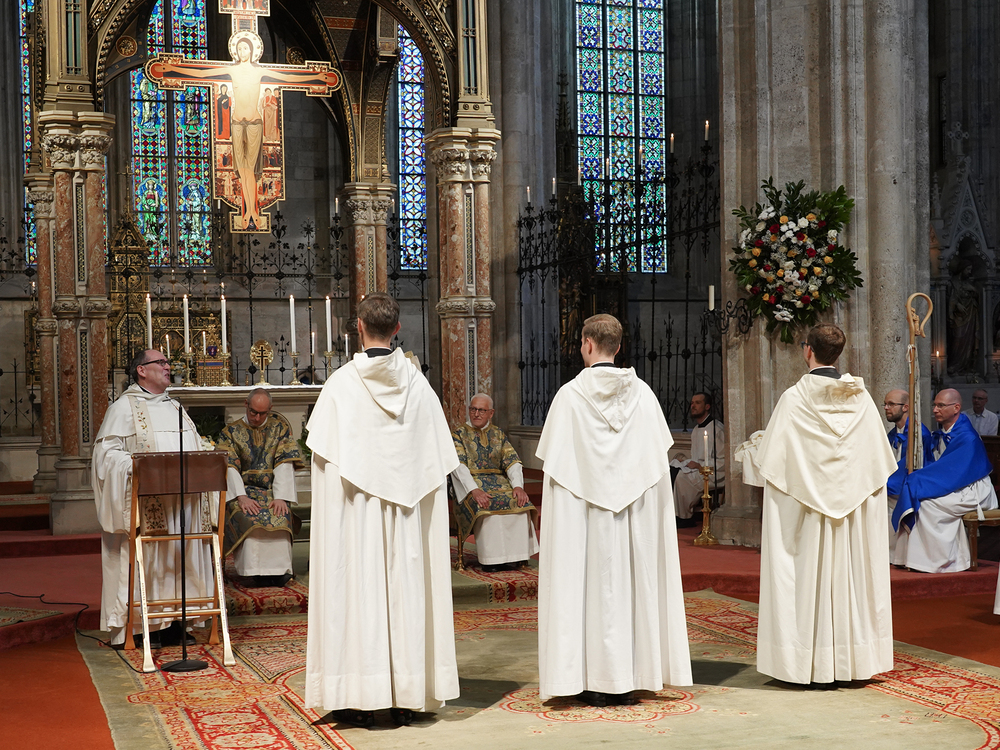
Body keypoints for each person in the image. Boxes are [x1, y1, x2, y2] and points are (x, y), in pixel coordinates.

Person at [304, 293, 460, 728]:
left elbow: (324, 469)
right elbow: (437, 463)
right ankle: (406, 692)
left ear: (358, 327)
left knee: (356, 595)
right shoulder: (418, 386)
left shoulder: (341, 386)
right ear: (397, 330)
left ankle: (356, 693)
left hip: (355, 521)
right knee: (404, 593)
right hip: (408, 522)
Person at [536, 313, 691, 706]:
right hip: (632, 520)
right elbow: (656, 474)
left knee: (584, 585)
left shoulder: (569, 398)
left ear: (587, 344)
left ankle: (584, 676)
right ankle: (634, 673)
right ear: (618, 347)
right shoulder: (644, 397)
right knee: (630, 583)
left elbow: (556, 477)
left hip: (583, 522)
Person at [741, 325, 897, 687]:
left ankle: (805, 664)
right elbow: (875, 464)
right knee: (851, 576)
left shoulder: (795, 400)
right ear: (837, 354)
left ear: (807, 350)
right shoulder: (861, 399)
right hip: (851, 519)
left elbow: (774, 464)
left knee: (805, 577)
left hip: (808, 515)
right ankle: (853, 661)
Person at [91, 350, 216, 648]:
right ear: (141, 371)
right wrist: (133, 466)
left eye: (167, 363)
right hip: (146, 502)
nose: (167, 366)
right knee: (148, 561)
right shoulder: (123, 408)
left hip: (183, 504)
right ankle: (139, 627)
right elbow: (105, 457)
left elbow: (194, 447)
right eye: (160, 363)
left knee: (178, 561)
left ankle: (173, 623)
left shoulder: (175, 407)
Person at [892, 389, 998, 573]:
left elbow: (954, 472)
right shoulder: (940, 433)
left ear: (956, 408)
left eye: (941, 405)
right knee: (917, 498)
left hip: (973, 489)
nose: (935, 410)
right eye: (934, 405)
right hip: (954, 485)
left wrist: (919, 480)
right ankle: (906, 557)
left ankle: (944, 561)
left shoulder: (967, 437)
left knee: (928, 505)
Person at [218, 388, 300, 588]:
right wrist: (240, 497)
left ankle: (280, 571)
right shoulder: (230, 432)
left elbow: (284, 463)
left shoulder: (280, 428)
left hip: (271, 490)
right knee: (250, 516)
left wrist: (281, 497)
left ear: (270, 409)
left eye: (262, 413)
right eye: (253, 411)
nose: (256, 417)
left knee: (280, 514)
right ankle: (254, 571)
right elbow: (229, 466)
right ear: (246, 405)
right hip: (243, 490)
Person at [451, 393, 538, 572]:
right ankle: (491, 560)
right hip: (471, 483)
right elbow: (457, 466)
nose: (476, 414)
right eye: (473, 409)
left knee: (519, 501)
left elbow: (512, 461)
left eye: (481, 410)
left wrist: (518, 486)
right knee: (488, 502)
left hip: (498, 480)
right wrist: (474, 490)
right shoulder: (458, 434)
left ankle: (516, 556)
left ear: (491, 413)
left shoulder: (498, 433)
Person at [884, 389, 935, 554]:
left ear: (905, 407)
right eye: (885, 404)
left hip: (912, 487)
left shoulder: (918, 434)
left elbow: (916, 466)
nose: (886, 407)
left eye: (891, 404)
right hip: (894, 484)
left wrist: (882, 483)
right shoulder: (893, 434)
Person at [672, 391, 725, 526]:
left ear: (707, 406)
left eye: (697, 403)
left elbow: (724, 461)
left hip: (714, 472)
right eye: (692, 403)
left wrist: (699, 466)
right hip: (698, 469)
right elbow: (697, 457)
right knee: (672, 471)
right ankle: (674, 513)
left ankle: (684, 517)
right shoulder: (696, 429)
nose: (693, 406)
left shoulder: (716, 429)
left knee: (682, 477)